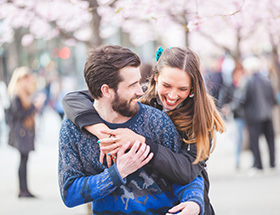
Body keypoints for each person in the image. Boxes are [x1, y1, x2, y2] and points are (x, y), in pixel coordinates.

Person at [62, 46, 225, 214]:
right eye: (166, 85)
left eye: (182, 89)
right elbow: (75, 98)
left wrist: (142, 142)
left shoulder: (199, 119)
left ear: (192, 89)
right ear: (155, 79)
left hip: (189, 206)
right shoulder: (140, 98)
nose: (172, 95)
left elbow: (186, 172)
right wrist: (101, 130)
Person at [7, 66, 45, 198]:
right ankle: (23, 190)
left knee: (25, 159)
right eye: (24, 80)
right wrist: (34, 106)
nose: (27, 82)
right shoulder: (16, 95)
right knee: (23, 160)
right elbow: (20, 114)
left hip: (25, 131)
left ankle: (24, 189)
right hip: (20, 132)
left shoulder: (25, 94)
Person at [242, 56, 277, 173]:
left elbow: (244, 99)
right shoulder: (266, 80)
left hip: (254, 116)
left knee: (255, 142)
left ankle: (259, 165)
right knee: (270, 141)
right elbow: (273, 99)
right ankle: (272, 164)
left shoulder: (249, 81)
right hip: (267, 114)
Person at [218, 62, 247, 170]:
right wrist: (226, 108)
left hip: (248, 115)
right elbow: (223, 99)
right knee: (238, 139)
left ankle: (254, 162)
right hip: (237, 116)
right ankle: (237, 161)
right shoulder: (230, 86)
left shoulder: (245, 84)